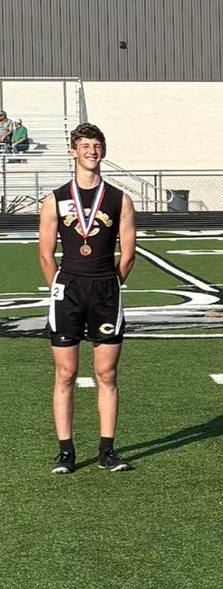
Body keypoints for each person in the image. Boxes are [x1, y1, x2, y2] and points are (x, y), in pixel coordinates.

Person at [38, 123, 137, 473]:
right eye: (85, 146)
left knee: (106, 373)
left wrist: (111, 283)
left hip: (105, 289)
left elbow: (128, 253)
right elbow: (46, 253)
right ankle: (65, 451)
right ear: (73, 152)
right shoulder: (55, 199)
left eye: (96, 146)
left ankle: (107, 450)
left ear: (103, 151)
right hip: (68, 290)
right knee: (65, 372)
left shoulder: (120, 199)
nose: (91, 151)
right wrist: (59, 287)